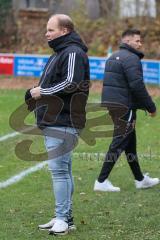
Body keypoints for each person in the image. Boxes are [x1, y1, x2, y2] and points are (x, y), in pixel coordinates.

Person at [26, 14, 90, 235]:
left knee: (59, 172)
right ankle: (66, 217)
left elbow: (71, 83)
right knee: (64, 170)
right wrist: (36, 91)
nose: (46, 33)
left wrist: (42, 91)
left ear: (65, 31)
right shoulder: (60, 52)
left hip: (64, 120)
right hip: (55, 119)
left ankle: (63, 218)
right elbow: (56, 82)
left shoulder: (73, 52)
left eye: (51, 29)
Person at [94, 29, 159, 192]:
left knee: (130, 144)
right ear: (128, 41)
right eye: (137, 41)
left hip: (113, 105)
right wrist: (150, 106)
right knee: (119, 142)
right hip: (124, 107)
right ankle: (101, 181)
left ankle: (140, 179)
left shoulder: (112, 57)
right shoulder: (131, 58)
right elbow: (136, 85)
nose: (140, 43)